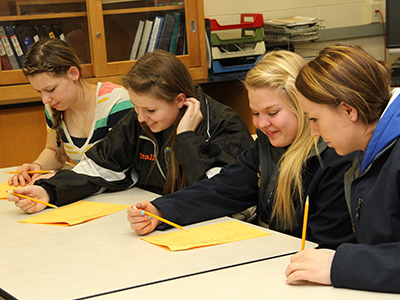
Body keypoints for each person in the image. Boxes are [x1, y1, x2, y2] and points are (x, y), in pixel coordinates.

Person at [127, 50, 356, 250]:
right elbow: (223, 189)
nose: (261, 124)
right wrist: (161, 210)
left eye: (272, 113)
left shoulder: (334, 155)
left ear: (302, 106)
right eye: (255, 114)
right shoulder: (266, 146)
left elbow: (327, 246)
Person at [7, 49, 253, 213]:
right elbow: (99, 166)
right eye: (136, 107)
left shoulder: (223, 124)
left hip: (218, 228)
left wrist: (187, 138)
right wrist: (47, 191)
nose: (141, 118)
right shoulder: (141, 120)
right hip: (164, 220)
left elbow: (218, 193)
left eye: (150, 110)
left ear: (180, 100)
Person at [285, 45, 400, 293]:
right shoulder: (364, 152)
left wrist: (342, 265)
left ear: (349, 110)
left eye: (314, 119)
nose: (313, 132)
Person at [8, 38, 133, 187]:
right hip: (88, 190)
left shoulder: (116, 102)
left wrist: (63, 180)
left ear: (73, 73)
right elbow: (55, 152)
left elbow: (115, 166)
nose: (45, 99)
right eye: (39, 92)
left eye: (50, 89)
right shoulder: (54, 106)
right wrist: (37, 167)